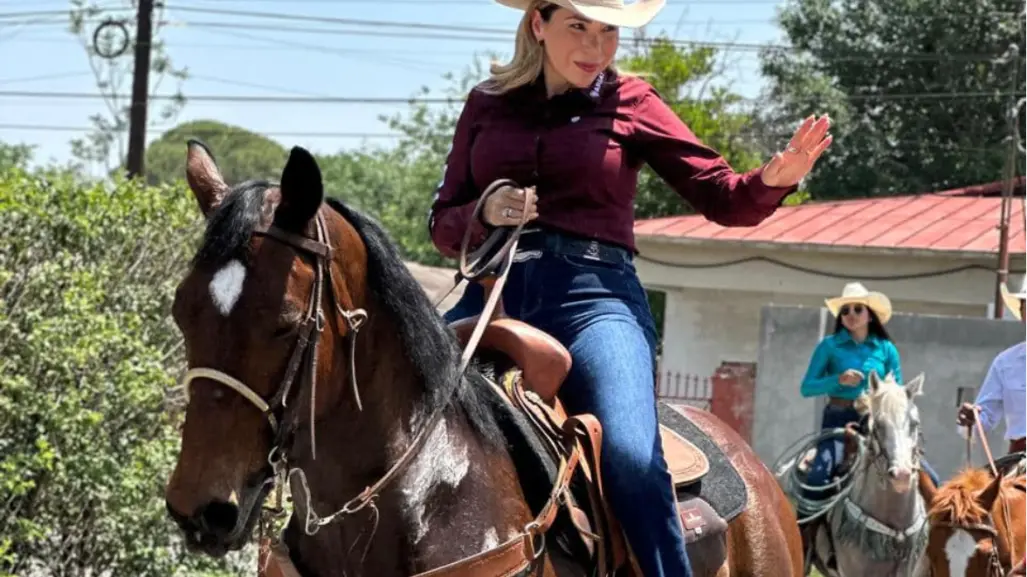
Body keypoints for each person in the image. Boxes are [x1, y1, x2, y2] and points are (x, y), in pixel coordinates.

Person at [427, 0, 832, 574]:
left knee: (631, 457)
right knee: (381, 403)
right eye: (578, 27)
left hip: (595, 300)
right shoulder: (487, 104)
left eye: (608, 31)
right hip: (490, 293)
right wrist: (484, 210)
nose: (595, 48)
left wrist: (772, 180)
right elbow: (442, 221)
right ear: (538, 24)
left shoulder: (633, 102)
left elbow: (721, 196)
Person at [800, 282, 941, 489]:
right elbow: (807, 387)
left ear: (870, 315)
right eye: (845, 310)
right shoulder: (828, 346)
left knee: (932, 480)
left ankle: (935, 520)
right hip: (838, 419)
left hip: (878, 421)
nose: (851, 314)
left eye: (858, 309)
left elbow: (898, 392)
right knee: (818, 478)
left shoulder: (886, 348)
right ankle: (805, 522)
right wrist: (838, 380)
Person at [957, 278, 1026, 456]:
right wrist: (972, 419)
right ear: (1022, 313)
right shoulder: (1005, 363)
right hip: (1021, 458)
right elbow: (985, 416)